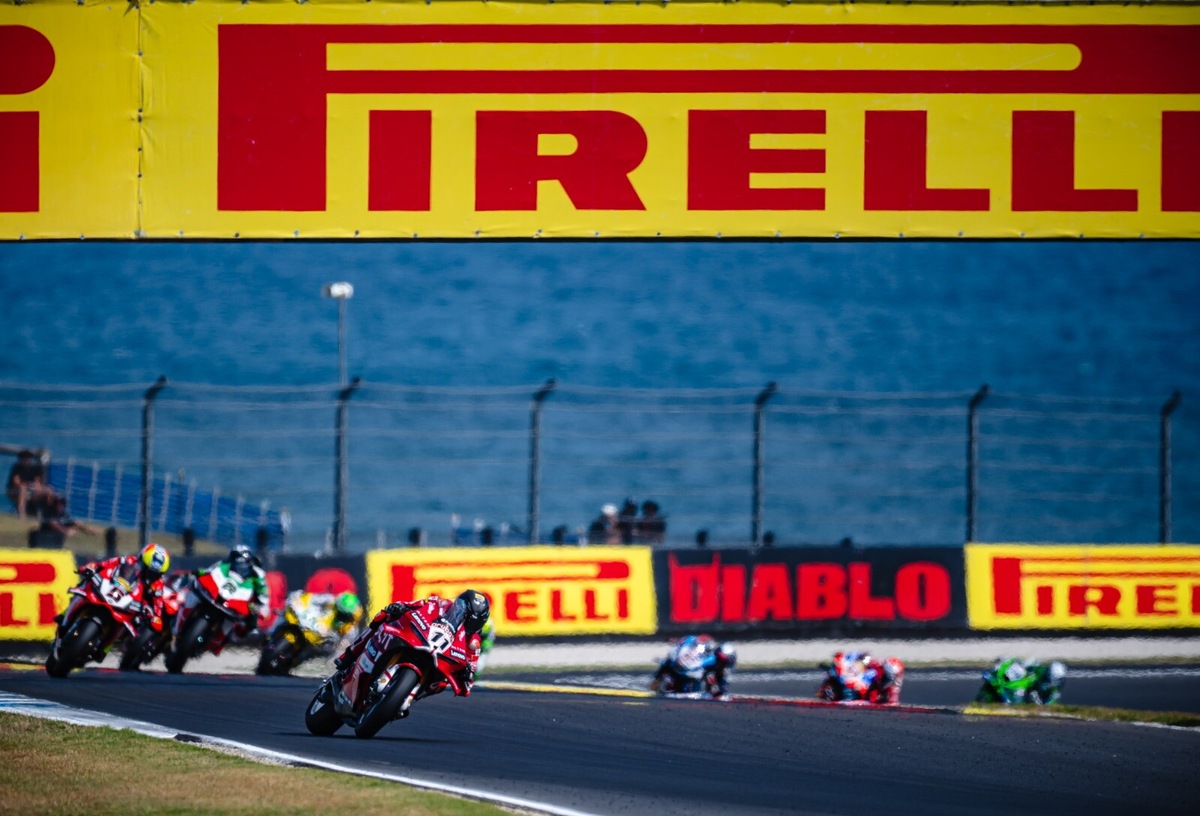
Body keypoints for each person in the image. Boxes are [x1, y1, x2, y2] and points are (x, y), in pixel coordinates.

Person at [334, 589, 491, 697]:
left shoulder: (474, 642)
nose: (466, 621)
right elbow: (416, 604)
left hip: (439, 661)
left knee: (440, 685)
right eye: (465, 615)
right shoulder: (439, 604)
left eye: (471, 621)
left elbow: (471, 671)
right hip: (420, 641)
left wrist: (467, 673)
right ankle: (348, 656)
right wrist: (400, 607)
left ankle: (405, 696)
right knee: (383, 620)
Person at [60, 543, 172, 634]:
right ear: (140, 559)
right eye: (146, 568)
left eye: (154, 574)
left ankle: (104, 650)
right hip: (114, 590)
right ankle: (64, 617)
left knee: (131, 627)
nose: (148, 575)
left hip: (131, 607)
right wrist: (92, 568)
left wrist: (154, 617)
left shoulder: (157, 586)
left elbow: (158, 609)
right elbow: (106, 564)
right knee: (86, 585)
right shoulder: (128, 560)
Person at [825, 650, 904, 704]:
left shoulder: (894, 686)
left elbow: (893, 702)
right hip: (858, 680)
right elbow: (864, 664)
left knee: (852, 693)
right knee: (850, 690)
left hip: (866, 696)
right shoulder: (875, 666)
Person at [6, 450, 51, 519]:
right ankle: (22, 516)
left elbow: (38, 483)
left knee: (48, 490)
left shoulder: (35, 468)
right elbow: (16, 483)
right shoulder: (16, 468)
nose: (27, 461)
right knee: (22, 490)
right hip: (15, 491)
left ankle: (49, 517)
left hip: (32, 491)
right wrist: (27, 486)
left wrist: (34, 487)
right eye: (24, 459)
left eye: (28, 458)